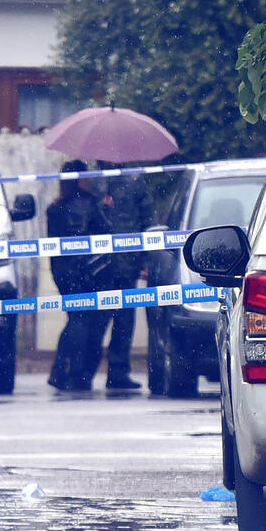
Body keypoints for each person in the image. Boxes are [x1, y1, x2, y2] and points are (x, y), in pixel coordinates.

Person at [46, 160, 112, 391]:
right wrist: (106, 209)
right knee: (84, 320)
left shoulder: (54, 208)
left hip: (62, 271)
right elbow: (106, 232)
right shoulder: (91, 203)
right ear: (80, 178)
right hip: (87, 272)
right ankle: (76, 374)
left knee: (75, 318)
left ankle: (60, 371)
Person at [97, 163, 155, 389]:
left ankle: (116, 373)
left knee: (121, 321)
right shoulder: (96, 182)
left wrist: (146, 257)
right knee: (101, 321)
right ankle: (90, 372)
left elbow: (147, 222)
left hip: (123, 264)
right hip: (106, 265)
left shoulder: (134, 183)